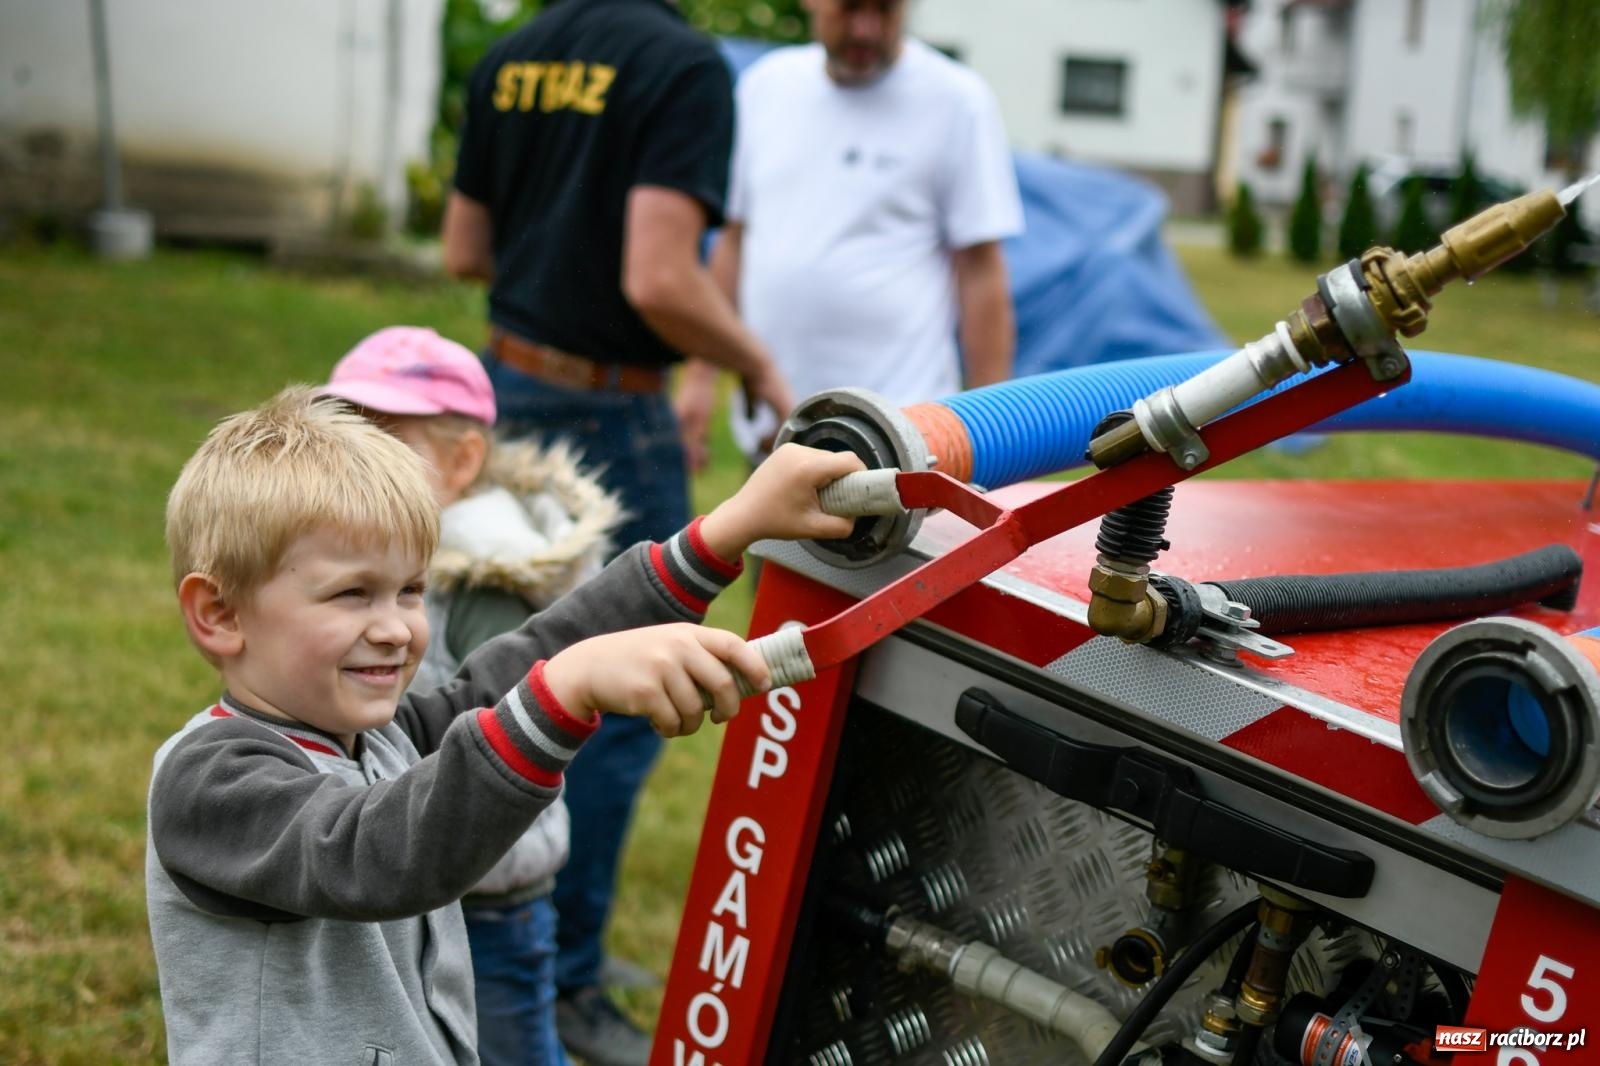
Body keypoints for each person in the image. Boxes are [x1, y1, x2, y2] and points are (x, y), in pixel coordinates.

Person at [147, 384, 862, 1065]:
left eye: (410, 591)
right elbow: (381, 853)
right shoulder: (210, 782)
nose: (396, 629)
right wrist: (567, 690)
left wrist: (722, 533)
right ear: (221, 615)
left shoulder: (384, 736)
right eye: (352, 594)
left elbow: (517, 666)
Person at [441, 4, 797, 1056]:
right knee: (620, 697)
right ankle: (562, 978)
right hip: (605, 412)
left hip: (500, 390)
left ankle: (488, 944)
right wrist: (756, 365)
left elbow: (467, 248)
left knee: (495, 675)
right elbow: (657, 277)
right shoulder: (682, 65)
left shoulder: (511, 56)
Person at [321, 325, 624, 1066]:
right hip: (399, 875)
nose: (360, 460)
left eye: (389, 439)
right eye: (346, 433)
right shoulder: (368, 553)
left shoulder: (488, 576)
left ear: (462, 461)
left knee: (507, 1048)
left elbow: (510, 723)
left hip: (488, 896)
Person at [676, 0, 1025, 467]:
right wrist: (700, 376)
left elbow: (981, 272)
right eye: (850, 8)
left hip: (902, 436)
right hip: (773, 431)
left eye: (885, 11)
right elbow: (735, 241)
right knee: (766, 542)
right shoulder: (766, 87)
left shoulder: (956, 99)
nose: (865, 29)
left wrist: (990, 427)